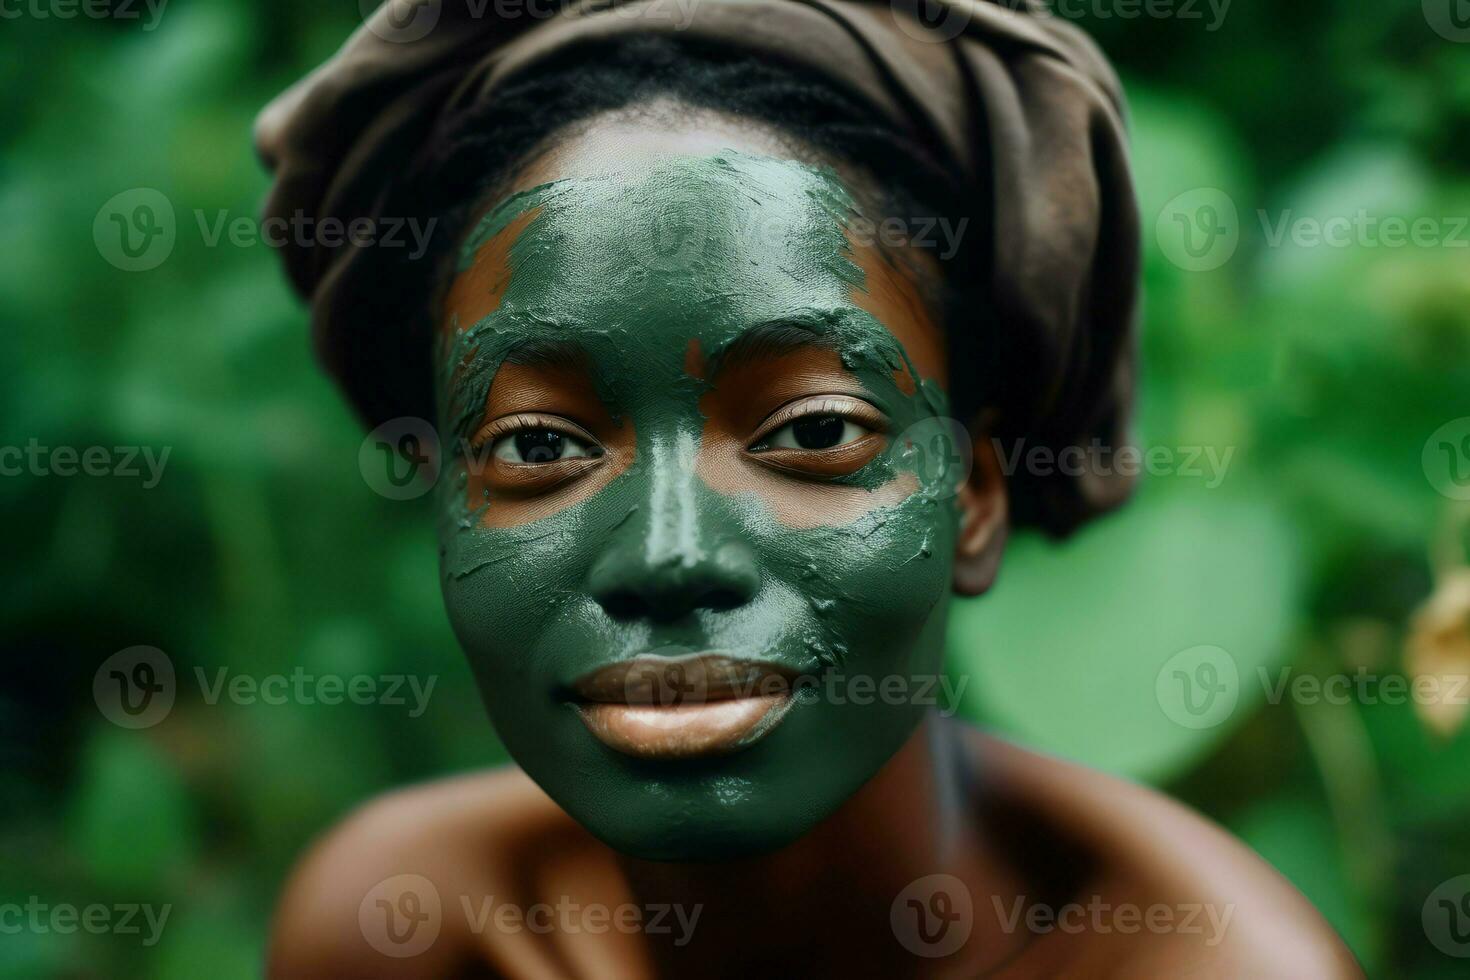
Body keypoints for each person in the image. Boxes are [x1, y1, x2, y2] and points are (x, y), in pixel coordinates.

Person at [256, 1, 1361, 975]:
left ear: (974, 496)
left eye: (816, 429)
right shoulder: (407, 935)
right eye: (540, 447)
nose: (667, 553)